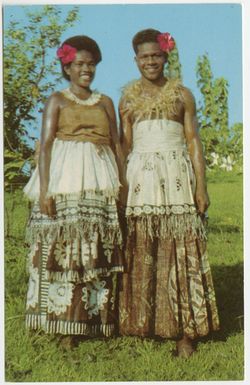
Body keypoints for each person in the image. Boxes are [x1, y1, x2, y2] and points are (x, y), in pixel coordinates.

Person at [118, 29, 219, 358]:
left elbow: (193, 142)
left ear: (165, 57)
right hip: (141, 182)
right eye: (144, 57)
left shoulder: (183, 95)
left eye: (156, 56)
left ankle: (185, 333)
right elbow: (125, 145)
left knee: (180, 251)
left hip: (176, 178)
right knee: (144, 248)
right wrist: (120, 186)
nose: (150, 62)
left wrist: (200, 185)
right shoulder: (128, 99)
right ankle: (144, 323)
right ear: (136, 60)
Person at [24, 35, 125, 348]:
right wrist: (45, 189)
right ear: (67, 67)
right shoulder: (57, 100)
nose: (87, 69)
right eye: (79, 64)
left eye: (91, 64)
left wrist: (122, 185)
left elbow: (117, 145)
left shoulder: (105, 102)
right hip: (65, 175)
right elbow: (46, 145)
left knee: (95, 245)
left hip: (99, 175)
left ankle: (92, 320)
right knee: (65, 246)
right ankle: (61, 323)